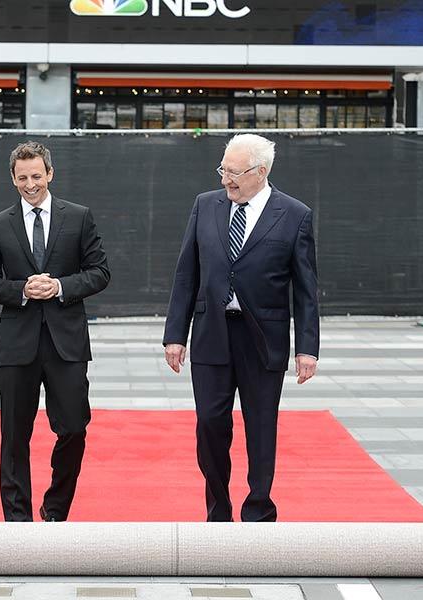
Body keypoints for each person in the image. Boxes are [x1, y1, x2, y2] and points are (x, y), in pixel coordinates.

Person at [162, 133, 319, 522]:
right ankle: (218, 510)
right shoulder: (205, 205)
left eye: (234, 173)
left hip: (263, 339)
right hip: (212, 333)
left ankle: (259, 510)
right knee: (210, 424)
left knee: (261, 426)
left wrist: (307, 348)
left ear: (261, 172)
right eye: (223, 170)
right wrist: (174, 335)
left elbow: (306, 289)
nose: (225, 180)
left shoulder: (295, 214)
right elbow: (186, 274)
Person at [0, 141, 110, 522]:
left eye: (37, 176)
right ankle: (17, 522)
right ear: (12, 179)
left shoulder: (79, 217)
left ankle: (55, 509)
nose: (30, 185)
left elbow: (100, 272)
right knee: (14, 438)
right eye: (22, 178)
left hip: (66, 344)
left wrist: (61, 287)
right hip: (17, 346)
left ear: (50, 173)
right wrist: (20, 289)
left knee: (73, 428)